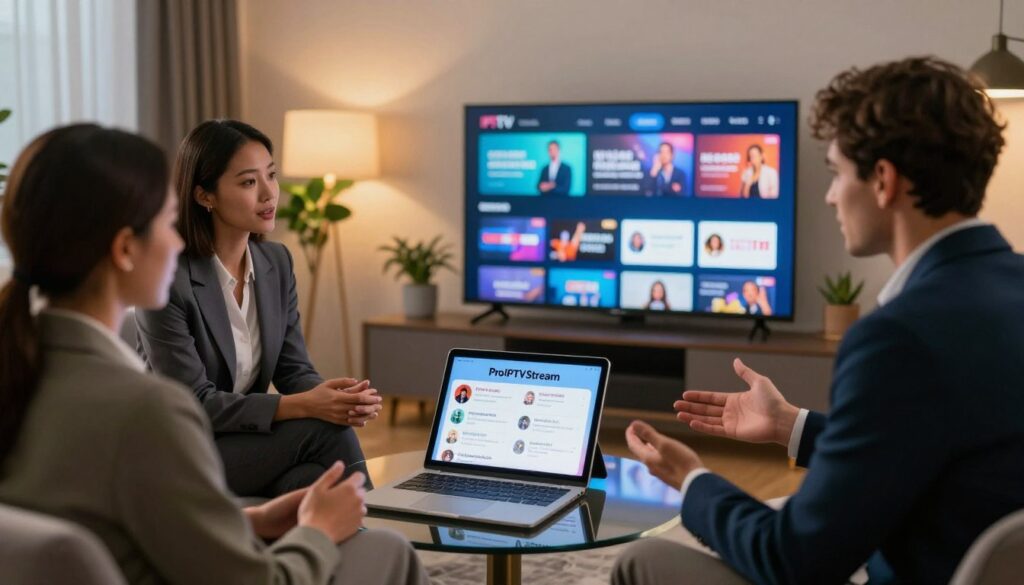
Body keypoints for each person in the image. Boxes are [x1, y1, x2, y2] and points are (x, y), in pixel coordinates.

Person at [613, 56, 1024, 585]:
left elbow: (792, 562)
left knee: (640, 562)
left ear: (883, 180)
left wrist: (693, 480)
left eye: (835, 173)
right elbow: (937, 441)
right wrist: (791, 426)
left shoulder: (897, 337)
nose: (830, 195)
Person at [0, 124, 427, 585]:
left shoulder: (21, 375)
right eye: (167, 222)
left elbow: (123, 519)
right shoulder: (146, 411)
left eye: (270, 175)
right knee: (388, 551)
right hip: (216, 470)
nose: (178, 241)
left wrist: (252, 523)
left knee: (309, 476)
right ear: (125, 248)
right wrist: (319, 534)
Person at [136, 120, 382, 498]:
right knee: (323, 432)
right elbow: (195, 403)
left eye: (271, 176)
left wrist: (334, 400)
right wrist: (306, 407)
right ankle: (379, 542)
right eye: (249, 182)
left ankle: (334, 547)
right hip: (180, 453)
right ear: (205, 196)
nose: (269, 194)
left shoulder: (276, 263)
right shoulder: (167, 280)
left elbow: (293, 369)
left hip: (242, 443)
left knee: (310, 477)